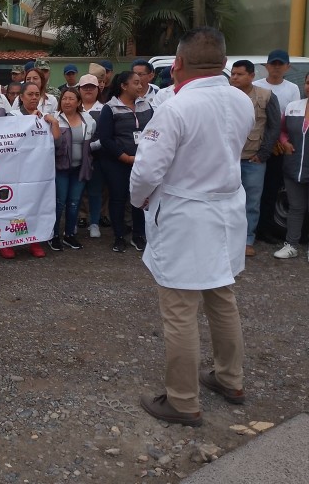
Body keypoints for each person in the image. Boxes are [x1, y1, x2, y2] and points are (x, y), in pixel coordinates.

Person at [130, 27, 253, 427]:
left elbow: (147, 170)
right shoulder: (241, 100)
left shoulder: (176, 107)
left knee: (181, 310)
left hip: (186, 214)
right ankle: (230, 378)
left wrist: (139, 200)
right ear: (223, 63)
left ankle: (183, 400)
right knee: (222, 296)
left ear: (178, 64)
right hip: (226, 212)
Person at [97, 70, 154, 253]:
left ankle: (138, 235)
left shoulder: (146, 105)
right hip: (117, 162)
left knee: (140, 198)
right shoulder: (110, 108)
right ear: (123, 86)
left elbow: (154, 131)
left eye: (141, 82)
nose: (140, 86)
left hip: (141, 161)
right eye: (136, 83)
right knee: (118, 198)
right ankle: (119, 236)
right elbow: (105, 139)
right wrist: (125, 157)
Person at [229, 60, 280, 257]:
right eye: (233, 74)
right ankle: (226, 239)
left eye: (239, 74)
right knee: (226, 201)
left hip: (253, 159)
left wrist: (263, 154)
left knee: (251, 202)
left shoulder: (266, 96)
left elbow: (274, 127)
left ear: (251, 76)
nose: (234, 77)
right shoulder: (225, 96)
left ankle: (247, 240)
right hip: (228, 159)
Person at [6, 81, 60, 259]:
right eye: (30, 94)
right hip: (15, 171)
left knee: (35, 205)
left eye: (37, 94)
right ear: (21, 97)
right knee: (14, 206)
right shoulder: (12, 116)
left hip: (37, 173)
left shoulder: (45, 118)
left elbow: (57, 142)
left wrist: (54, 123)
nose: (34, 98)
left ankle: (34, 241)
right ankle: (9, 242)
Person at [254, 49, 302, 243]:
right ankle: (251, 229)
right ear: (266, 66)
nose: (276, 67)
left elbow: (291, 120)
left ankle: (265, 229)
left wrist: (281, 142)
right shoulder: (256, 86)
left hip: (280, 147)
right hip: (258, 145)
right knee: (255, 190)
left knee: (272, 189)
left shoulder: (292, 89)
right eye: (272, 63)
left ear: (287, 67)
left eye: (280, 64)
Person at [50, 89, 96, 251]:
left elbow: (93, 140)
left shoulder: (88, 120)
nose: (67, 102)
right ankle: (53, 235)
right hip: (60, 169)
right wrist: (54, 124)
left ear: (78, 102)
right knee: (59, 203)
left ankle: (69, 234)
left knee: (74, 203)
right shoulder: (54, 118)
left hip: (79, 169)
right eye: (64, 99)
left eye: (71, 99)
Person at [273, 73, 309, 260]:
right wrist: (285, 142)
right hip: (294, 167)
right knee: (296, 207)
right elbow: (282, 130)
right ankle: (291, 245)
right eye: (308, 82)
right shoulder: (293, 107)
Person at [77, 75, 108, 238]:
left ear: (98, 89)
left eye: (92, 87)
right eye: (84, 87)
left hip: (96, 158)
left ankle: (94, 223)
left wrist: (89, 147)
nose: (88, 90)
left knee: (95, 192)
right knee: (76, 193)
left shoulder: (104, 109)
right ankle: (74, 222)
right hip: (75, 159)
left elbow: (106, 135)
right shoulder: (73, 107)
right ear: (79, 89)